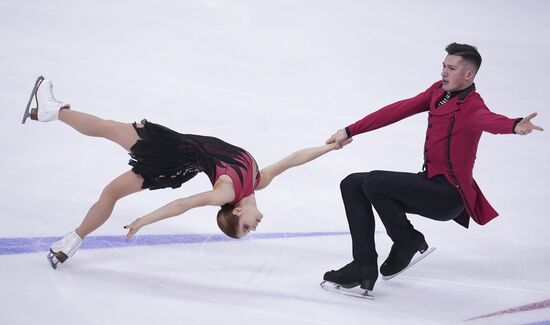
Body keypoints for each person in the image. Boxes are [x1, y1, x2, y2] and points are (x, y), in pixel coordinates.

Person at [22, 76, 350, 269]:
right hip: (177, 166)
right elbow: (294, 158)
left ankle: (52, 110)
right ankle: (71, 242)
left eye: (246, 228)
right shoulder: (256, 182)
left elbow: (183, 205)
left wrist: (143, 220)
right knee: (111, 192)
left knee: (109, 129)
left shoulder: (226, 192)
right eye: (249, 230)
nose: (254, 228)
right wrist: (330, 147)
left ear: (237, 211)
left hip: (172, 152)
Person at [322, 43, 543, 294]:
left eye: (451, 68)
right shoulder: (438, 92)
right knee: (352, 183)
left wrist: (514, 125)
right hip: (429, 182)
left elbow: (489, 120)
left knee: (374, 182)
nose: (443, 73)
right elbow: (398, 110)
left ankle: (407, 239)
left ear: (469, 74)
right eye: (443, 66)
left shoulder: (471, 106)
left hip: (448, 195)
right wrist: (351, 130)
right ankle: (363, 265)